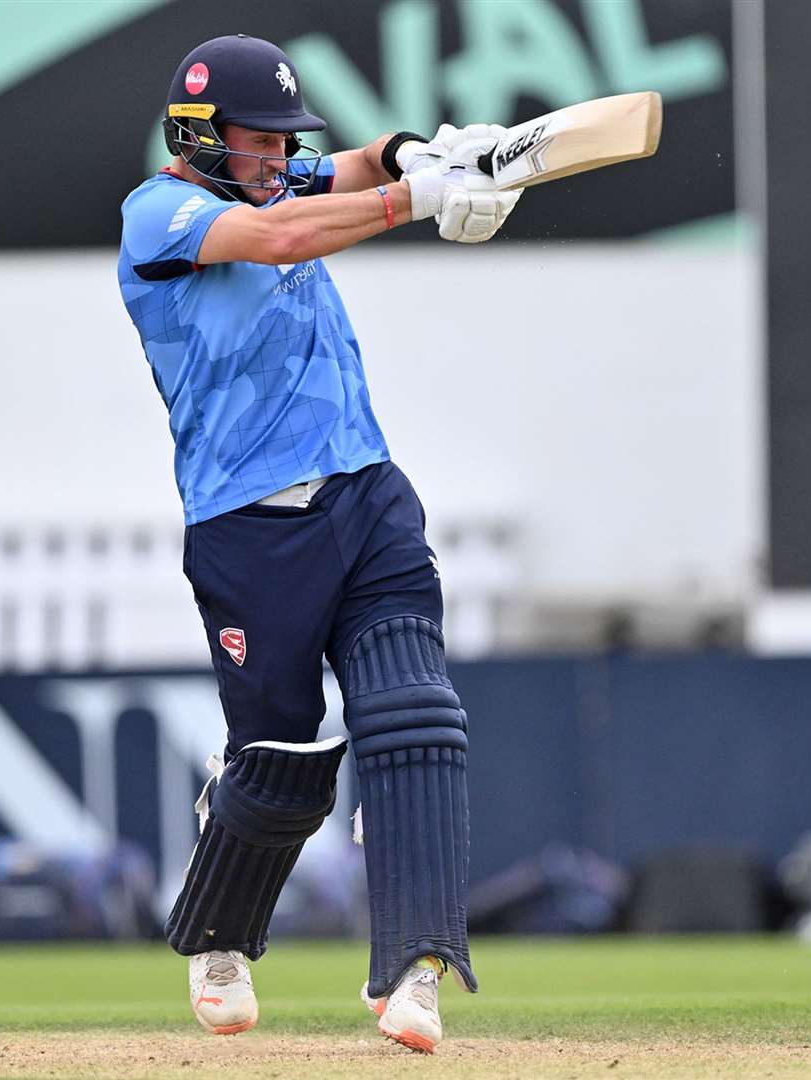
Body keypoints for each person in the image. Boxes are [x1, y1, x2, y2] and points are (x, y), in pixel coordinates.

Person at [116, 33, 520, 1054]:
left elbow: (363, 156)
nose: (278, 159)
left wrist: (424, 153)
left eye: (285, 144)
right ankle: (218, 935)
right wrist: (414, 203)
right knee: (288, 758)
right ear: (198, 137)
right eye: (258, 143)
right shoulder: (160, 213)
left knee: (415, 713)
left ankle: (417, 972)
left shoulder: (275, 177)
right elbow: (286, 239)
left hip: (366, 490)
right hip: (251, 528)